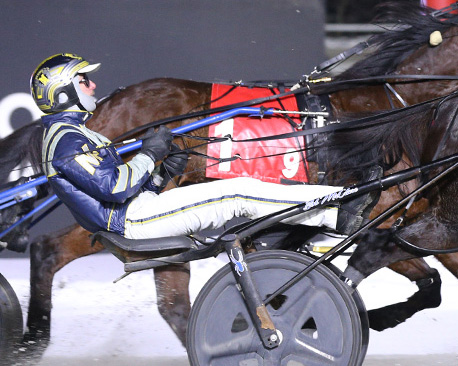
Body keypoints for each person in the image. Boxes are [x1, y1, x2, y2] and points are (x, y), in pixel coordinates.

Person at [31, 53, 372, 240]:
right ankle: (335, 210)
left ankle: (336, 205)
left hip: (139, 208)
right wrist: (150, 154)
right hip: (131, 219)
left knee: (240, 190)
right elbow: (115, 188)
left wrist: (163, 173)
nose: (93, 85)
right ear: (63, 93)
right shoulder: (65, 141)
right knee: (237, 193)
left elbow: (121, 186)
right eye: (83, 81)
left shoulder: (73, 134)